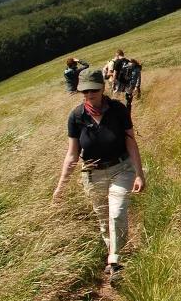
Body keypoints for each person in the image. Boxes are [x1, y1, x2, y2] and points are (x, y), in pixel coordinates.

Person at [51, 68, 146, 282]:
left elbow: (131, 142)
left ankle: (115, 260)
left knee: (117, 212)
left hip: (121, 169)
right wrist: (60, 186)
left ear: (103, 88)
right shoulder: (76, 117)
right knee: (104, 219)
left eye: (93, 90)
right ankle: (113, 251)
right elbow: (72, 154)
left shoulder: (118, 110)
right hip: (92, 175)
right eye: (84, 91)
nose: (89, 95)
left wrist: (139, 174)